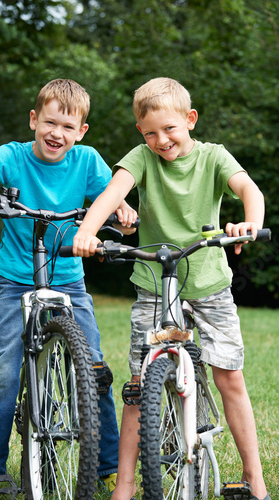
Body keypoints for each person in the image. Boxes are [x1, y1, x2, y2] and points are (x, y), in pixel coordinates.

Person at [72, 77, 270, 500]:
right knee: (138, 385)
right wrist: (88, 232)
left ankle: (255, 479)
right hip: (154, 283)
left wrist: (248, 223)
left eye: (170, 129)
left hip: (209, 283)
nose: (161, 140)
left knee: (229, 376)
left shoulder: (213, 157)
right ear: (141, 135)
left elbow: (248, 189)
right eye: (150, 133)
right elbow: (112, 194)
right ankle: (124, 485)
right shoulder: (142, 158)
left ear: (190, 120)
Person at [0, 78, 137, 500]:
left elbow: (111, 197)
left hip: (69, 279)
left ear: (81, 131)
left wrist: (122, 210)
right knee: (3, 372)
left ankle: (106, 466)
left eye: (68, 127)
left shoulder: (87, 161)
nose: (58, 133)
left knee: (95, 371)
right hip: (17, 280)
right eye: (50, 122)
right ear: (34, 120)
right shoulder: (12, 156)